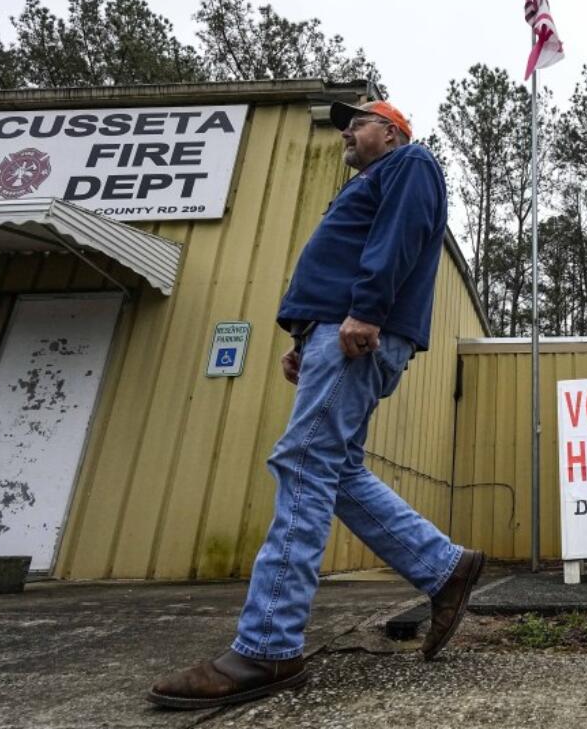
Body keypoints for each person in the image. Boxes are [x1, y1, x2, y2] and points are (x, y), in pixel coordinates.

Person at [147, 100, 485, 710]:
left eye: (357, 123)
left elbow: (399, 238)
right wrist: (305, 336)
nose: (347, 135)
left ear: (392, 130)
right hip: (331, 333)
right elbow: (347, 256)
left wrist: (365, 312)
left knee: (304, 461)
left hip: (354, 330)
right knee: (336, 471)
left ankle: (267, 646)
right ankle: (445, 567)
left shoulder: (410, 163)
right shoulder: (368, 181)